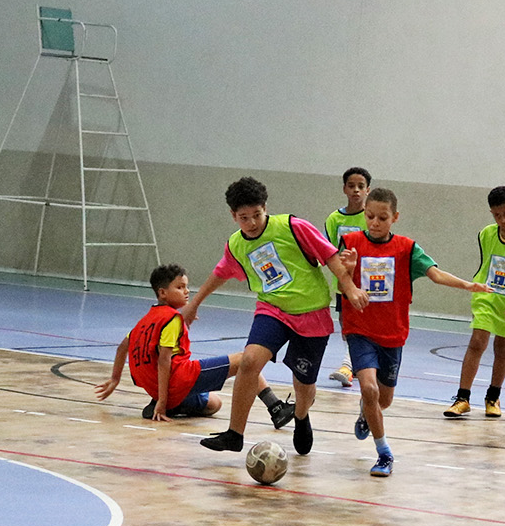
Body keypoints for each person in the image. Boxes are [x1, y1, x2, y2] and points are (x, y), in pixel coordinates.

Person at [183, 176, 367, 456]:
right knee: (249, 361)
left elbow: (330, 256)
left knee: (303, 383)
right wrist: (194, 304)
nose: (252, 223)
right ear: (233, 216)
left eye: (257, 215)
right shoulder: (236, 245)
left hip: (311, 313)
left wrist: (350, 287)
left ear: (265, 208)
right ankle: (235, 434)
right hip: (272, 310)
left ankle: (301, 417)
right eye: (244, 218)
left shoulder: (293, 227)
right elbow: (219, 273)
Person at [338, 188, 485, 476]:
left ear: (395, 217)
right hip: (360, 330)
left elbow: (436, 274)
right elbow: (341, 279)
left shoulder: (406, 249)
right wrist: (349, 274)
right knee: (369, 388)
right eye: (370, 216)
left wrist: (467, 285)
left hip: (392, 334)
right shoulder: (351, 243)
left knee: (383, 400)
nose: (375, 223)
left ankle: (366, 410)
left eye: (382, 218)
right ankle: (384, 454)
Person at [96, 262, 295, 428]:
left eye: (186, 286)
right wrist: (163, 402)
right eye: (180, 287)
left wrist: (115, 379)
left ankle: (173, 405)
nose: (186, 291)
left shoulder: (146, 320)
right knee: (245, 360)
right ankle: (276, 408)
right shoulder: (172, 319)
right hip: (177, 380)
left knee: (214, 404)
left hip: (157, 388)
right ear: (163, 293)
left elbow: (122, 348)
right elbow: (164, 360)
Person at [443, 186, 505, 419]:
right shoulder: (487, 234)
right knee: (477, 341)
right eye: (497, 215)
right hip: (486, 296)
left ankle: (493, 397)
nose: (503, 219)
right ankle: (462, 398)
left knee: (502, 347)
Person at [324, 166, 372, 388]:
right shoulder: (334, 219)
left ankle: (350, 365)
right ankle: (353, 363)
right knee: (346, 323)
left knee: (362, 323)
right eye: (351, 186)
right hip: (343, 282)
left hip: (366, 281)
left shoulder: (370, 217)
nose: (356, 190)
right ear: (344, 188)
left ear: (368, 190)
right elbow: (329, 250)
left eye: (361, 186)